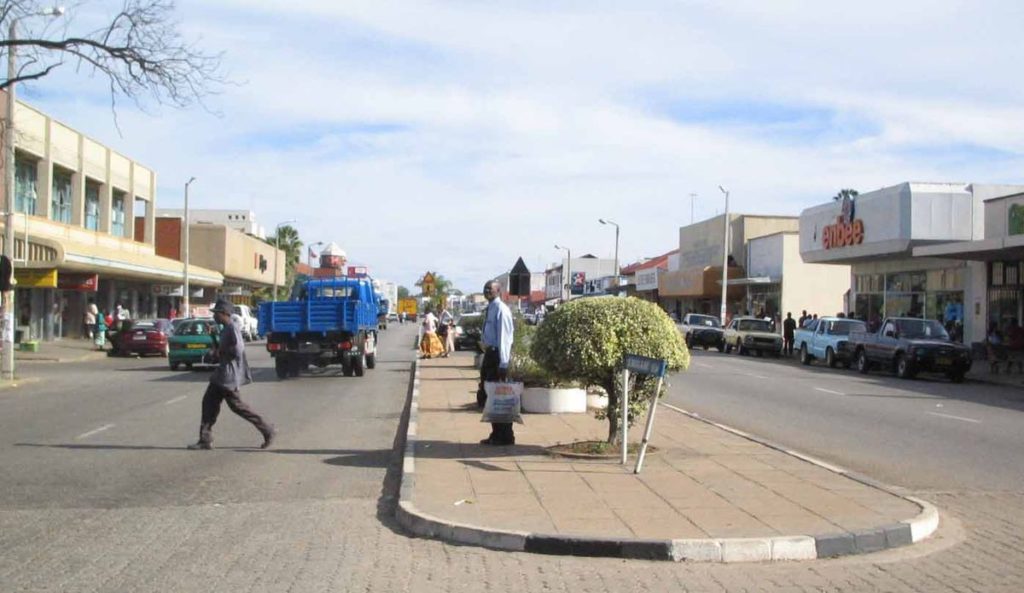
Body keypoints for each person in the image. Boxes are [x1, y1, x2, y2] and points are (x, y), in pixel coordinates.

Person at [187, 299, 275, 450]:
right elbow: (222, 350)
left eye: (216, 314)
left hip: (228, 376)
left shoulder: (231, 328)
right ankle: (205, 439)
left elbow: (238, 349)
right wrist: (214, 340)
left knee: (237, 406)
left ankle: (268, 430)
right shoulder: (225, 329)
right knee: (209, 404)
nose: (214, 316)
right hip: (222, 375)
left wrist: (219, 352)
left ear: (224, 314)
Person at [477, 281, 515, 446]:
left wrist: (503, 364)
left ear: (498, 291)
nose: (486, 292)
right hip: (490, 354)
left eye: (489, 289)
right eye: (485, 289)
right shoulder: (491, 308)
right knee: (490, 396)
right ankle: (496, 433)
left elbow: (504, 339)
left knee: (500, 398)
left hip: (498, 357)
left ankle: (505, 436)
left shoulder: (501, 309)